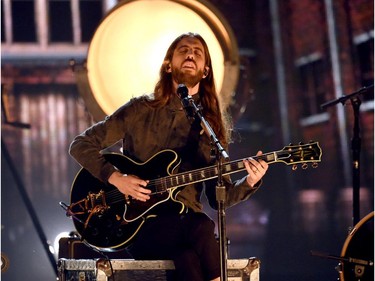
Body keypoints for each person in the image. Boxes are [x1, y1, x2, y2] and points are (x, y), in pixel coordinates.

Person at [69, 32, 269, 281]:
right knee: (201, 226)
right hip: (138, 224)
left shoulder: (209, 127)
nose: (190, 54)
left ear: (205, 70)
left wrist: (250, 182)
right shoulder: (139, 109)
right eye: (183, 50)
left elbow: (219, 198)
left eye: (198, 52)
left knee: (187, 257)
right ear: (168, 64)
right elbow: (80, 144)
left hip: (186, 228)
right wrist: (117, 178)